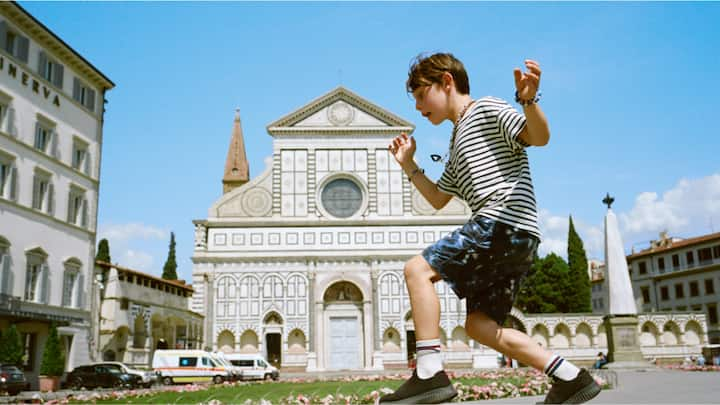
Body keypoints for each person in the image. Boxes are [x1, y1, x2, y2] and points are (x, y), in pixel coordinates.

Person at [380, 53, 601, 404]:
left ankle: (428, 372)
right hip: (515, 237)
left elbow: (538, 137)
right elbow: (438, 198)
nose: (419, 107)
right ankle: (570, 377)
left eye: (422, 95)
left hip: (502, 223)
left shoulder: (486, 108)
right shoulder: (455, 142)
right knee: (479, 326)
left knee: (416, 270)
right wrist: (409, 166)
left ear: (447, 82)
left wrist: (528, 100)